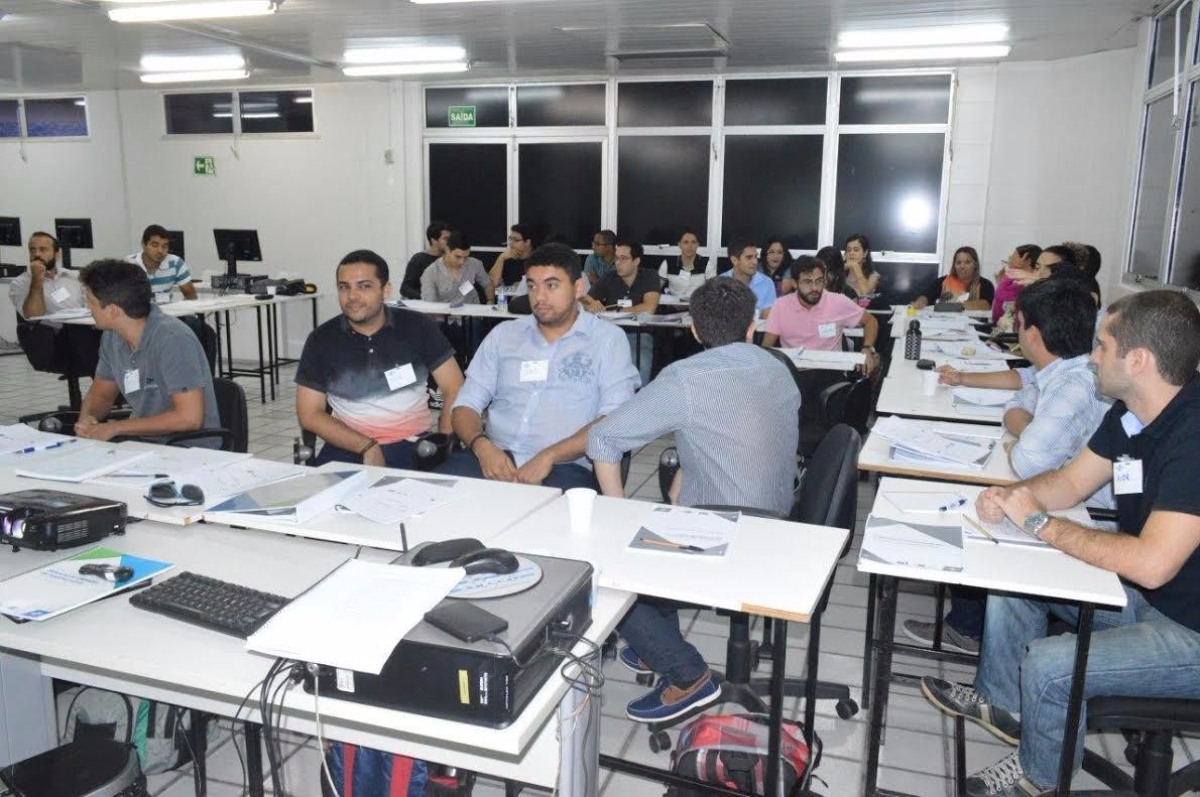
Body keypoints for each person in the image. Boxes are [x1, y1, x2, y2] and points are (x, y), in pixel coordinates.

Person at [919, 289, 1200, 797]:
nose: (1092, 357)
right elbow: (1071, 483)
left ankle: (1040, 778)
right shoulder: (1132, 412)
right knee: (1015, 577)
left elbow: (1154, 564)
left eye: (1103, 346)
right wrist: (1014, 497)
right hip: (1154, 599)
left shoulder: (1195, 436)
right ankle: (1003, 703)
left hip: (1191, 631)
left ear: (1138, 360)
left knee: (1051, 667)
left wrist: (1042, 526)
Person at [587, 277, 799, 722]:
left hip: (726, 531)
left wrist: (619, 514)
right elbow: (736, 433)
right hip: (782, 527)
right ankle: (655, 649)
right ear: (753, 325)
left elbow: (602, 440)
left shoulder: (685, 378)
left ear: (696, 331)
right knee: (666, 507)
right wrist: (686, 467)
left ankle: (688, 676)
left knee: (604, 572)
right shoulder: (778, 366)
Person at [905, 280, 1113, 656]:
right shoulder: (1061, 368)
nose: (1015, 328)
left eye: (1019, 322)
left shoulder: (1076, 384)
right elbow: (1025, 390)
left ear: (1033, 333)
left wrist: (1017, 422)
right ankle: (968, 622)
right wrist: (1021, 420)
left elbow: (1026, 459)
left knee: (973, 510)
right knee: (978, 503)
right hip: (1063, 496)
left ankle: (968, 627)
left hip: (1088, 516)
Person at [439, 242, 639, 490]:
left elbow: (613, 419)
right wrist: (481, 446)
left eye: (552, 285)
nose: (539, 296)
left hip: (565, 466)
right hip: (494, 458)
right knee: (433, 502)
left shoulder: (607, 340)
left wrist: (550, 455)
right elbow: (464, 405)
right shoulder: (504, 336)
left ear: (578, 288)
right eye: (532, 286)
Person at [295, 249, 464, 468]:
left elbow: (454, 386)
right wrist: (366, 445)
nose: (352, 296)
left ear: (386, 290)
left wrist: (444, 440)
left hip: (412, 445)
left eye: (364, 286)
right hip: (347, 445)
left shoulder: (418, 327)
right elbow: (309, 413)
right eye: (344, 287)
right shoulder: (322, 339)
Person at [73, 259, 219, 446]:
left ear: (113, 311)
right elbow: (101, 395)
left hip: (187, 448)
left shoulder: (173, 339)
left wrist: (115, 427)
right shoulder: (112, 337)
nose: (88, 308)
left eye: (91, 302)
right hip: (143, 442)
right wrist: (87, 419)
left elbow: (189, 418)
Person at [761, 255, 879, 375]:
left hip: (830, 374)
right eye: (807, 282)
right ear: (794, 283)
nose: (815, 288)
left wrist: (867, 348)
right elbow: (767, 347)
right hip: (793, 374)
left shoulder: (837, 302)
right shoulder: (781, 305)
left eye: (819, 281)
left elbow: (871, 321)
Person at [581, 241, 661, 386]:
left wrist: (616, 311)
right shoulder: (609, 277)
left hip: (639, 334)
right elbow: (584, 299)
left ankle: (638, 403)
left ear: (636, 261)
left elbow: (649, 308)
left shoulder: (650, 276)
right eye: (616, 258)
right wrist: (591, 304)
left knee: (641, 362)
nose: (618, 262)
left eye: (623, 258)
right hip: (611, 334)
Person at [10, 232, 83, 321]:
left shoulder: (75, 276)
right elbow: (33, 315)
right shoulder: (20, 282)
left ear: (57, 255)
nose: (37, 254)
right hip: (52, 332)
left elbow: (93, 308)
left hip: (84, 327)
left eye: (43, 250)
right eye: (32, 250)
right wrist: (36, 278)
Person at [419, 232, 492, 305]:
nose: (462, 262)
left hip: (473, 313)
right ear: (447, 249)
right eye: (458, 257)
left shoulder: (474, 264)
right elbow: (429, 306)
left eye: (466, 257)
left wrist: (490, 300)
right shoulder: (431, 272)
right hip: (447, 314)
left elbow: (487, 284)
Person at [126, 225, 196, 301]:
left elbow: (191, 296)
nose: (160, 251)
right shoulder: (128, 264)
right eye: (155, 245)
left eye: (164, 246)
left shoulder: (176, 263)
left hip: (167, 311)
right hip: (137, 311)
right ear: (143, 244)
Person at [913, 246, 994, 310]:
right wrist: (921, 302)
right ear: (954, 265)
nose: (962, 266)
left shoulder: (985, 284)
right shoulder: (943, 282)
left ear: (975, 264)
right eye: (958, 263)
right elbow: (926, 296)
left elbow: (986, 305)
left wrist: (957, 305)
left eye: (967, 262)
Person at [718, 237, 775, 318]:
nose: (755, 262)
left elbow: (767, 322)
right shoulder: (719, 283)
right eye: (749, 257)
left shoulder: (767, 283)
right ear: (734, 260)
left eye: (756, 257)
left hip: (758, 330)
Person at [400, 221, 452, 300]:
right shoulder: (419, 259)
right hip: (423, 307)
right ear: (434, 240)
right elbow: (405, 288)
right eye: (446, 239)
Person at [991, 244, 1042, 324]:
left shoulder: (1027, 280)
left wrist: (1013, 269)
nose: (1010, 259)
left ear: (1027, 260)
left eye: (1014, 256)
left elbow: (1000, 293)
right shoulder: (1015, 277)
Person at [659, 229, 713, 298]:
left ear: (698, 245)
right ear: (679, 245)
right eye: (685, 242)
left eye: (693, 242)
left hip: (697, 306)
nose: (689, 246)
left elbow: (713, 291)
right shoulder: (668, 263)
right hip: (673, 306)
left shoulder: (706, 264)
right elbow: (656, 288)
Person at [489, 223, 534, 291]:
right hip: (505, 300)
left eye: (516, 240)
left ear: (527, 242)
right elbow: (492, 284)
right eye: (510, 239)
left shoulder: (536, 261)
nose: (511, 243)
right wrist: (501, 258)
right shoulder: (506, 258)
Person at [843, 233, 879, 300]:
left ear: (865, 253)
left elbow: (865, 293)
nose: (851, 253)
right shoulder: (840, 273)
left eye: (856, 250)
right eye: (848, 250)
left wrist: (855, 267)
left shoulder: (873, 276)